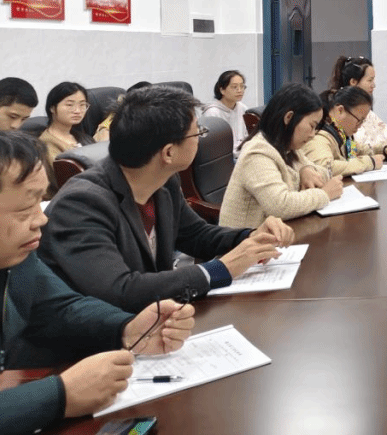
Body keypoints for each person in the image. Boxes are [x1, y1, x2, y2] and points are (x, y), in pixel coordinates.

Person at [0, 128, 195, 434]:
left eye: (41, 201)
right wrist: (59, 395)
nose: (41, 219)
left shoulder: (13, 257)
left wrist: (127, 328)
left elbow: (62, 307)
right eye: (26, 208)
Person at [38, 85, 293, 312]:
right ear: (168, 153)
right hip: (98, 340)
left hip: (155, 323)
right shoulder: (82, 204)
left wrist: (250, 237)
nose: (200, 138)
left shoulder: (164, 182)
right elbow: (120, 291)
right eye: (198, 133)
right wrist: (220, 269)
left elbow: (195, 235)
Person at [218, 83, 343, 228]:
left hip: (280, 232)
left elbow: (324, 172)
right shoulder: (257, 154)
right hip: (245, 238)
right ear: (289, 117)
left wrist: (307, 169)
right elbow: (280, 206)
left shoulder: (290, 147)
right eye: (311, 126)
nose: (312, 134)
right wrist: (325, 194)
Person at [302, 86, 387, 180]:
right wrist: (369, 162)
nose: (360, 126)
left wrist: (384, 149)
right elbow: (325, 168)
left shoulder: (341, 135)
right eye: (359, 120)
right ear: (340, 110)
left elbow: (359, 149)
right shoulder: (319, 137)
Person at [37, 82, 96, 200]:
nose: (78, 111)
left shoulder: (84, 138)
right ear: (52, 108)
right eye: (69, 105)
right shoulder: (46, 145)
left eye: (82, 105)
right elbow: (64, 182)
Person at [202, 70, 249, 156]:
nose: (240, 90)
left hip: (242, 154)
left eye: (242, 86)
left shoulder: (242, 108)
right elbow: (211, 146)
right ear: (222, 90)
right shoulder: (212, 113)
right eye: (234, 87)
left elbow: (248, 136)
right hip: (224, 158)